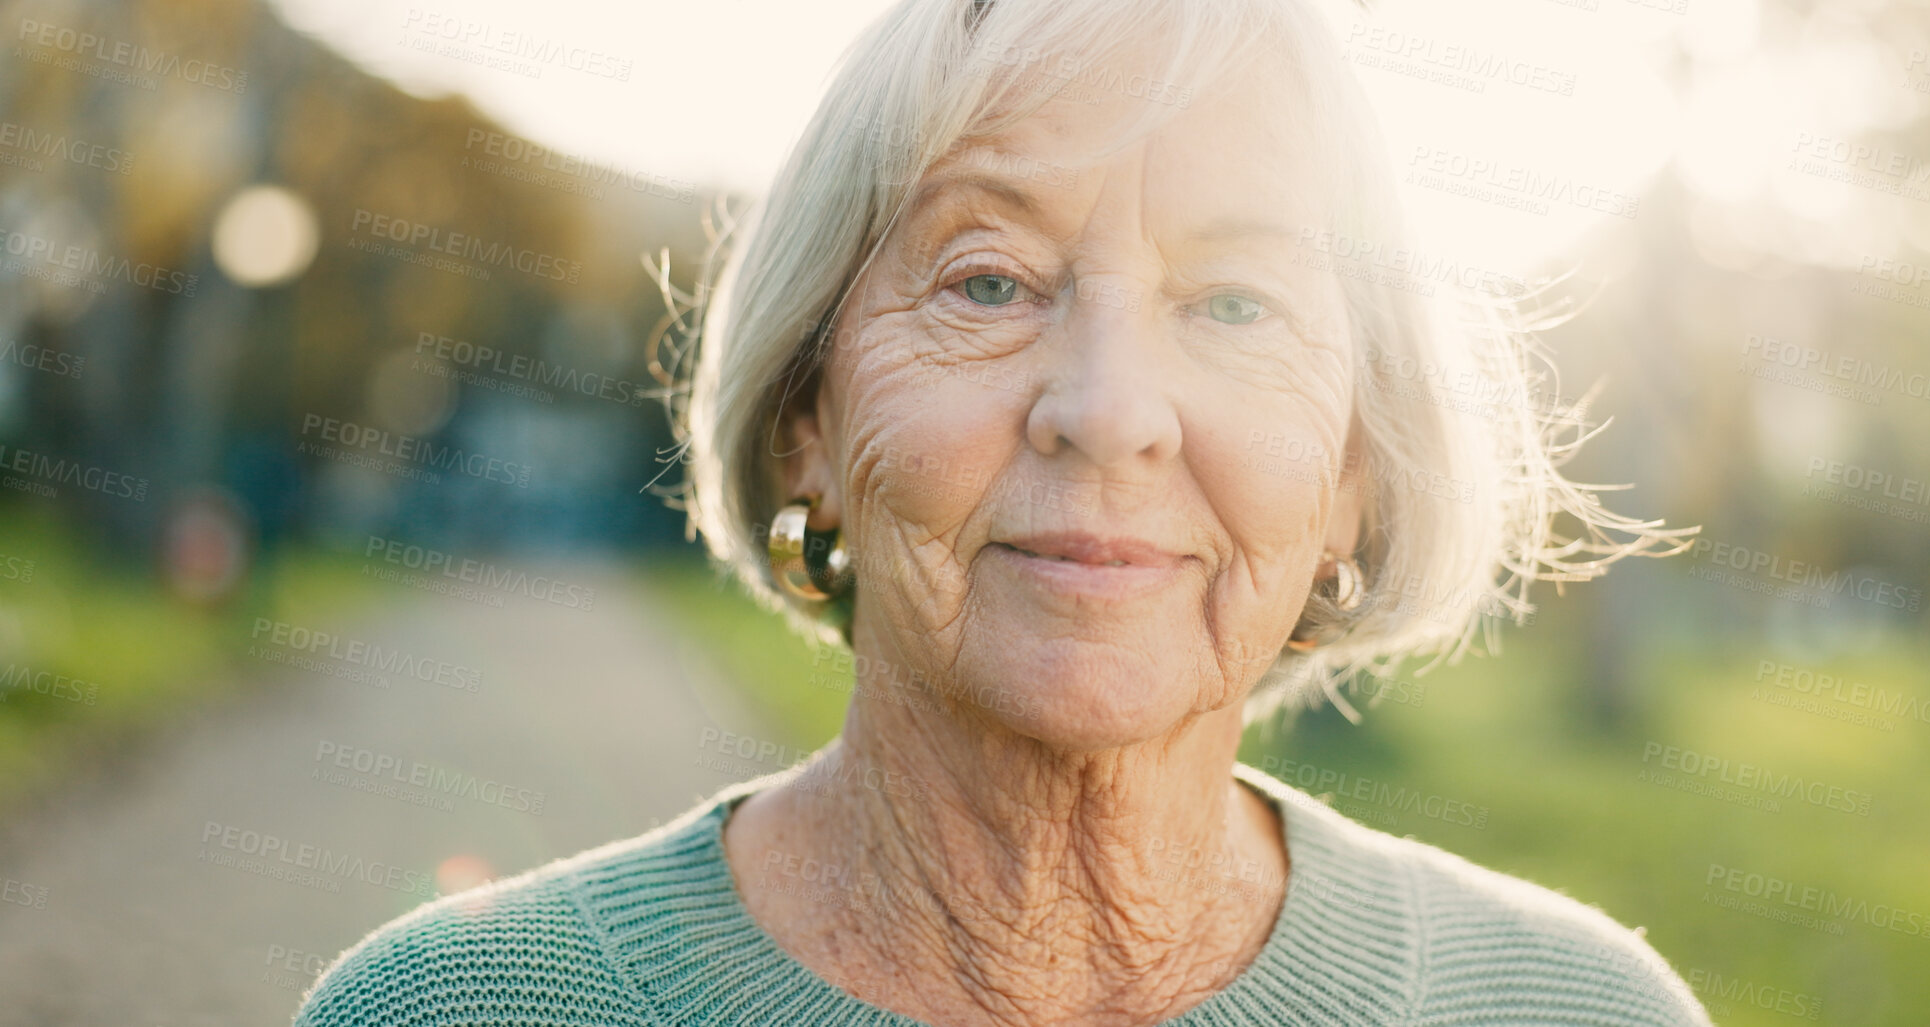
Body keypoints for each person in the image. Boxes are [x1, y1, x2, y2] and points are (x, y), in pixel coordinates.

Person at [294, 0, 1708, 1023]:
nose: (1108, 408)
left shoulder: (1578, 1010)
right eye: (987, 279)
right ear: (811, 429)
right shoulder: (451, 1010)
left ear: (1352, 473)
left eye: (1234, 301)